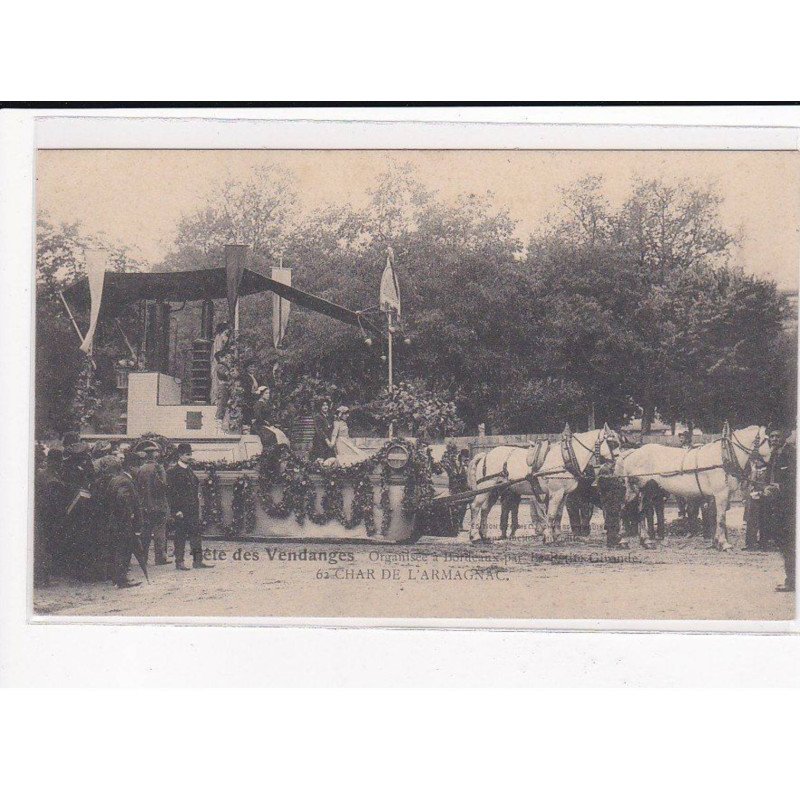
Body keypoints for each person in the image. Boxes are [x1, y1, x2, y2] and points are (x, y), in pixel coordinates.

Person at [166, 443, 213, 571]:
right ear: (180, 455)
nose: (190, 456)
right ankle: (179, 562)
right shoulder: (173, 472)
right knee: (180, 536)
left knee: (196, 535)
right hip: (181, 510)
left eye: (190, 454)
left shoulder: (189, 470)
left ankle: (197, 561)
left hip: (192, 509)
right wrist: (176, 510)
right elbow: (171, 493)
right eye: (187, 454)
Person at [760, 428, 796, 592]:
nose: (773, 439)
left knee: (789, 544)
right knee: (783, 543)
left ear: (784, 437)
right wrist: (765, 488)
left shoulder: (792, 454)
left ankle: (792, 581)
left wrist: (779, 487)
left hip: (790, 506)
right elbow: (770, 478)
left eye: (777, 436)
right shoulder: (774, 455)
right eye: (771, 437)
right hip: (777, 506)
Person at [107, 449, 144, 589]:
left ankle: (118, 578)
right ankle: (122, 579)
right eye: (138, 466)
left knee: (119, 550)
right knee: (124, 550)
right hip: (123, 523)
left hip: (116, 522)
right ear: (131, 467)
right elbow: (122, 499)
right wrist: (129, 515)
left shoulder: (117, 478)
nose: (139, 469)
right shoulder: (125, 481)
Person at [136, 443, 172, 565]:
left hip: (145, 505)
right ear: (155, 454)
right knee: (159, 531)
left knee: (145, 532)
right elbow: (165, 486)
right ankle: (160, 557)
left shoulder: (141, 469)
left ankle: (143, 557)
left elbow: (138, 487)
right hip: (159, 504)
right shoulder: (159, 468)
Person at [211, 322, 231, 433]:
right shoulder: (219, 339)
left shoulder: (221, 338)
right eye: (226, 333)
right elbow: (219, 352)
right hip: (218, 365)